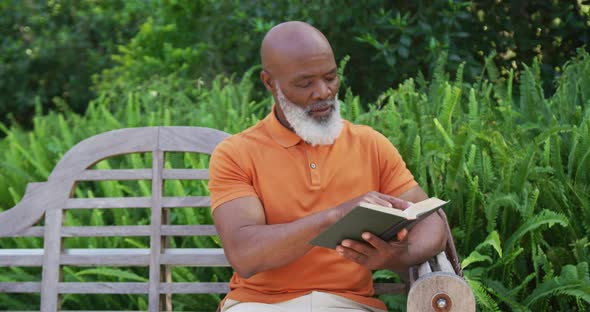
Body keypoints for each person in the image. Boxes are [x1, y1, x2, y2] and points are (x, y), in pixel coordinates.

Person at [208, 21, 447, 312]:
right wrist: (335, 216)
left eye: (331, 78)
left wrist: (396, 256)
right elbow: (245, 255)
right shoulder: (236, 153)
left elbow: (431, 220)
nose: (323, 92)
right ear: (269, 83)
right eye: (305, 83)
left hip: (349, 305)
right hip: (259, 305)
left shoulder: (369, 144)